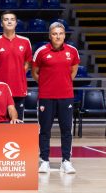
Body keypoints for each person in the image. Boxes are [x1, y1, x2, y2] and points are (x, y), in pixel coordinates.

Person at [32, 22, 80, 174]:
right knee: (44, 130)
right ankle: (44, 160)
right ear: (50, 36)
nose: (58, 36)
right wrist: (46, 84)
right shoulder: (41, 51)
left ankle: (66, 161)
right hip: (46, 97)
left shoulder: (72, 51)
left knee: (66, 130)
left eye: (60, 33)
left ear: (64, 35)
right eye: (54, 34)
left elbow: (73, 71)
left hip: (66, 97)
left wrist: (64, 83)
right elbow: (35, 72)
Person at [0, 10, 33, 120]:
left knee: (17, 123)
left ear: (16, 23)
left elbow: (28, 62)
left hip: (19, 89)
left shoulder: (25, 41)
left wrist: (19, 73)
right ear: (1, 23)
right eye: (6, 19)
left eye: (12, 19)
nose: (9, 22)